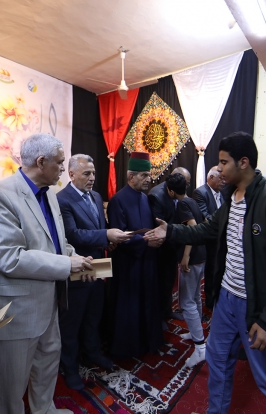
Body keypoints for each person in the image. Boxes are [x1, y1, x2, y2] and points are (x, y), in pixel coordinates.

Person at [145, 132, 266, 414]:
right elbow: (206, 230)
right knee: (218, 362)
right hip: (226, 300)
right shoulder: (231, 197)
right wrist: (170, 231)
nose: (218, 169)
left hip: (255, 305)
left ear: (243, 162)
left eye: (223, 162)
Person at [0, 133, 88, 414]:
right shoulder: (0, 196)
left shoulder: (48, 193)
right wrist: (67, 265)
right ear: (41, 162)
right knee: (11, 387)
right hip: (17, 310)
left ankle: (45, 410)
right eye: (59, 163)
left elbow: (55, 241)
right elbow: (10, 257)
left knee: (47, 366)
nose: (63, 168)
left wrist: (74, 256)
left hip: (49, 302)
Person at [56, 154, 131, 389]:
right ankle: (69, 367)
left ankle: (92, 353)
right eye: (86, 173)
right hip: (77, 269)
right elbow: (72, 235)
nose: (92, 178)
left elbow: (100, 227)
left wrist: (109, 239)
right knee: (71, 323)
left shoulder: (96, 196)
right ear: (71, 174)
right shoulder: (62, 200)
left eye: (94, 173)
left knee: (93, 316)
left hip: (98, 268)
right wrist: (106, 235)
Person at [107, 151, 163, 358]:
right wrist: (147, 241)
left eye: (149, 175)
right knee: (129, 307)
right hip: (127, 265)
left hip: (146, 262)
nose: (149, 179)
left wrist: (156, 237)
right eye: (144, 176)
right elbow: (119, 236)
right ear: (131, 176)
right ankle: (128, 349)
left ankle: (147, 342)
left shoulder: (145, 199)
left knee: (147, 302)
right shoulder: (117, 200)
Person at [166, 173, 207, 367]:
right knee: (196, 296)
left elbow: (192, 228)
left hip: (192, 258)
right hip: (202, 255)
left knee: (186, 301)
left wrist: (186, 255)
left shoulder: (182, 204)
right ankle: (195, 331)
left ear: (170, 191)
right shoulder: (192, 201)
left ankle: (200, 347)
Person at [149, 166, 191, 323]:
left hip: (173, 244)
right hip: (162, 247)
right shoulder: (156, 196)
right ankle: (159, 318)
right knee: (161, 283)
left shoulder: (178, 189)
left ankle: (167, 311)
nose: (186, 187)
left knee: (169, 281)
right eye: (185, 183)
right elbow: (158, 225)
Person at [193, 166, 225, 308]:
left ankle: (217, 297)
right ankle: (210, 302)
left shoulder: (222, 193)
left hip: (220, 239)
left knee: (219, 270)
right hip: (208, 241)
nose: (224, 182)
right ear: (211, 177)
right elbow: (205, 217)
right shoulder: (200, 192)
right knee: (211, 271)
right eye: (221, 179)